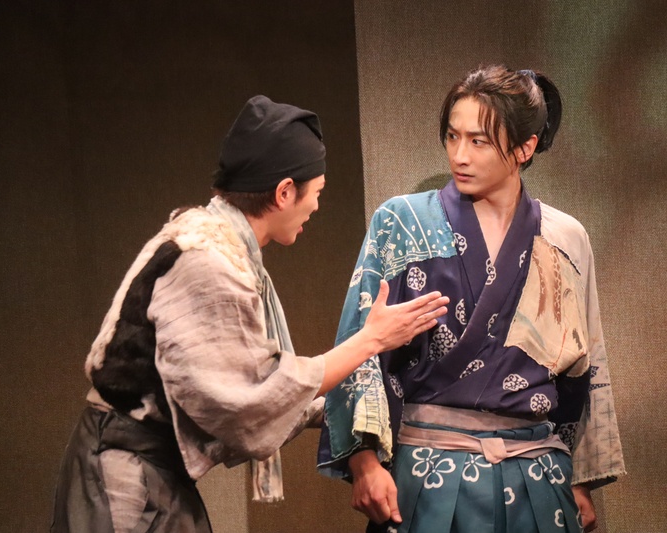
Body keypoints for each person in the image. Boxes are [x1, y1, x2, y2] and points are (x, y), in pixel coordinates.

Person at [50, 95, 449, 533]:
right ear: (284, 192)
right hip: (125, 474)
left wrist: (337, 410)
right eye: (316, 193)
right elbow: (252, 398)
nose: (316, 206)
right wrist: (370, 339)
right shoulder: (206, 262)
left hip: (149, 464)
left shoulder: (215, 245)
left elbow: (255, 385)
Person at [318, 65, 625, 532]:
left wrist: (580, 480)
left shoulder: (565, 238)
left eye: (478, 141)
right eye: (452, 136)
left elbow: (587, 362)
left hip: (537, 476)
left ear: (524, 148)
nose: (459, 155)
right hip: (429, 473)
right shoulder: (402, 222)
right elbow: (359, 343)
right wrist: (364, 462)